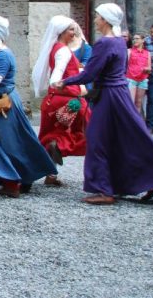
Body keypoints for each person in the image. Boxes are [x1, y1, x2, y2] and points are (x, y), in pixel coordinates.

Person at [56, 3, 153, 205]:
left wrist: (65, 81)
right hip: (119, 93)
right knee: (129, 137)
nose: (96, 20)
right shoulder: (119, 42)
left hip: (109, 96)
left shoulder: (105, 43)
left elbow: (90, 73)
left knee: (97, 139)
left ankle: (105, 190)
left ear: (106, 20)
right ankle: (150, 178)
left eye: (98, 17)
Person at [0, 17, 57, 198]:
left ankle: (11, 183)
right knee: (13, 141)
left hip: (3, 106)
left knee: (8, 143)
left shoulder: (2, 55)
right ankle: (23, 177)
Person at [31, 15, 89, 187]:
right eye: (71, 30)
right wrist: (74, 88)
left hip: (53, 101)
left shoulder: (56, 48)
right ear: (62, 32)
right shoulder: (63, 51)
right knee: (87, 133)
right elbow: (56, 78)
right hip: (68, 101)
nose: (74, 32)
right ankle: (60, 149)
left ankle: (51, 174)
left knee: (52, 136)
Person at [126, 32, 152, 120]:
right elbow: (125, 65)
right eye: (133, 39)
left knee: (139, 103)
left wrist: (147, 69)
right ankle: (129, 122)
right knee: (131, 102)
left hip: (143, 79)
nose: (134, 40)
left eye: (137, 38)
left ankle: (136, 123)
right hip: (131, 78)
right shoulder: (129, 51)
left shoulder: (147, 53)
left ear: (142, 40)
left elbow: (149, 68)